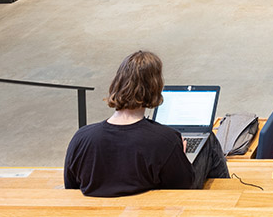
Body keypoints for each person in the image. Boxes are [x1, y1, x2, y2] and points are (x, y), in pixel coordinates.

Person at [64, 51, 228, 197]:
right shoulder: (165, 140)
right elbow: (182, 188)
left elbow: (71, 188)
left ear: (116, 84)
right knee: (209, 142)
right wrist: (181, 157)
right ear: (155, 88)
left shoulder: (81, 138)